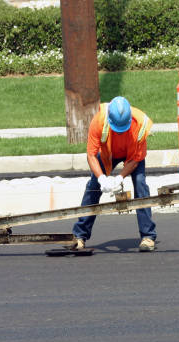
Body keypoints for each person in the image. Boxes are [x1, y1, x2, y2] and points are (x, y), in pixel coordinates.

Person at [71, 96, 157, 252]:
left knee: (140, 184)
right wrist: (102, 179)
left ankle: (148, 236)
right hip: (108, 154)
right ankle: (79, 236)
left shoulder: (140, 124)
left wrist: (119, 178)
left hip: (131, 157)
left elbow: (135, 161)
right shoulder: (99, 120)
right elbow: (91, 155)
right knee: (93, 186)